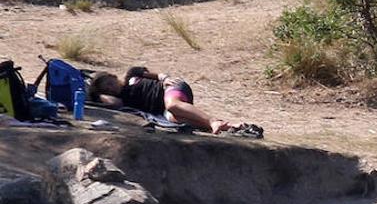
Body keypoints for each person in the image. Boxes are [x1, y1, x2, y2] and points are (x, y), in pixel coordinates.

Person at [89, 66, 260, 136]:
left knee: (173, 106)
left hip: (170, 89)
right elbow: (106, 102)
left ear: (113, 77)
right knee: (175, 119)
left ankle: (213, 121)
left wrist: (164, 78)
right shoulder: (122, 101)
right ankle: (230, 125)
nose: (111, 88)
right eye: (107, 88)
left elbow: (155, 74)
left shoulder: (131, 75)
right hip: (166, 108)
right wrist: (97, 92)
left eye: (110, 83)